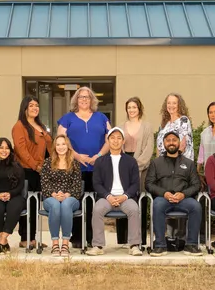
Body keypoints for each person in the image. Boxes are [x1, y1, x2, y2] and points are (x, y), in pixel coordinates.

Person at [57, 86, 110, 247]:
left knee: (95, 204)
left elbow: (111, 139)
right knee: (76, 202)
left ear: (92, 100)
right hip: (74, 168)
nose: (84, 100)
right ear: (76, 100)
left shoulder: (101, 118)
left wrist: (98, 156)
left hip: (97, 167)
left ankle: (93, 238)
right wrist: (76, 156)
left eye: (87, 97)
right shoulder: (67, 118)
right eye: (81, 97)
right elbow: (60, 139)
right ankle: (77, 238)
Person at [87, 127, 143, 257]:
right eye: (112, 138)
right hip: (107, 198)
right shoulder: (100, 161)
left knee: (134, 209)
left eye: (119, 138)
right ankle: (98, 245)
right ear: (108, 140)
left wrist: (125, 196)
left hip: (125, 198)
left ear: (123, 141)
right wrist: (108, 196)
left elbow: (135, 183)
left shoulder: (131, 161)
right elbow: (97, 183)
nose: (115, 141)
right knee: (97, 209)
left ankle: (134, 245)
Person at [146, 131, 202, 256]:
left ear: (179, 143)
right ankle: (160, 245)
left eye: (174, 140)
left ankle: (191, 245)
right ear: (164, 143)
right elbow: (149, 184)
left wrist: (183, 194)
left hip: (184, 199)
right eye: (168, 140)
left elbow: (196, 185)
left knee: (196, 206)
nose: (171, 142)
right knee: (157, 205)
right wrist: (164, 193)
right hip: (163, 198)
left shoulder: (189, 163)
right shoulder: (156, 163)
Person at [12, 95, 52, 249]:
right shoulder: (19, 126)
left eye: (37, 105)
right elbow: (21, 151)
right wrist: (36, 166)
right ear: (25, 108)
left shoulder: (40, 126)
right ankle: (25, 238)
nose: (35, 108)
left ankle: (33, 238)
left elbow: (48, 146)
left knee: (34, 206)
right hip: (26, 170)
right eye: (31, 105)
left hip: (40, 170)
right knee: (27, 205)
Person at [39, 135, 83, 257]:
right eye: (58, 144)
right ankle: (54, 244)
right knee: (55, 205)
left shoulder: (75, 164)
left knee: (65, 204)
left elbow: (77, 186)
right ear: (54, 147)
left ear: (68, 146)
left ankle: (65, 243)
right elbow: (44, 183)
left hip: (70, 198)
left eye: (63, 144)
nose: (60, 147)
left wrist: (66, 195)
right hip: (51, 197)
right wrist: (54, 194)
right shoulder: (48, 162)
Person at [122, 96, 154, 188]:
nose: (131, 110)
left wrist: (136, 165)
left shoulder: (147, 127)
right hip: (124, 165)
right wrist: (125, 164)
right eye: (129, 107)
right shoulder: (120, 127)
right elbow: (117, 147)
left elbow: (149, 148)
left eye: (134, 107)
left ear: (139, 109)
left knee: (140, 195)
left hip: (142, 166)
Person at [156, 93, 193, 160]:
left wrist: (170, 161)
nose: (171, 105)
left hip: (178, 163)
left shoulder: (183, 120)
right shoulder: (164, 123)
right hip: (163, 164)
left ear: (179, 105)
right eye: (169, 103)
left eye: (174, 103)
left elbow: (183, 145)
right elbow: (158, 146)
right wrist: (158, 163)